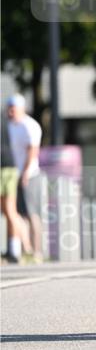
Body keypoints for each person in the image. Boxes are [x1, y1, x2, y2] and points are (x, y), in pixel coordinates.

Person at [7, 94, 43, 262]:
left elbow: (33, 151)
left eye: (13, 109)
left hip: (30, 174)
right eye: (9, 109)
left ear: (21, 109)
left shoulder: (30, 126)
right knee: (17, 213)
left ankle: (37, 251)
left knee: (31, 213)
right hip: (14, 174)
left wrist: (26, 172)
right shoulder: (10, 126)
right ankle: (24, 249)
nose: (10, 112)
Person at [1, 105, 22, 263]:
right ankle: (14, 250)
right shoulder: (4, 116)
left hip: (4, 168)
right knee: (10, 210)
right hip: (9, 166)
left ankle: (18, 249)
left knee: (9, 210)